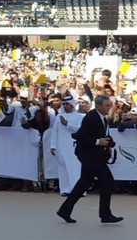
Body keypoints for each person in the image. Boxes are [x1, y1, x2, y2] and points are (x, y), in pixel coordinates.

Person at [56, 95, 124, 224]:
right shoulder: (91, 117)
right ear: (98, 106)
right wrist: (98, 141)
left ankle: (64, 210)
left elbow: (102, 134)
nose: (109, 108)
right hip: (89, 156)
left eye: (110, 105)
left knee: (83, 184)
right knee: (107, 181)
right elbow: (80, 136)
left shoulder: (102, 117)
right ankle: (105, 214)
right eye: (106, 105)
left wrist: (109, 141)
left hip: (94, 156)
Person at [50, 96, 84, 196]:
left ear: (72, 104)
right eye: (64, 104)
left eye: (67, 104)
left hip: (73, 147)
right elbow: (54, 132)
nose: (65, 106)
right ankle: (65, 190)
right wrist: (53, 146)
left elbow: (81, 130)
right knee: (63, 168)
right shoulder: (59, 116)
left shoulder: (80, 116)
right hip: (61, 147)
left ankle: (78, 190)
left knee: (75, 168)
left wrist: (67, 124)